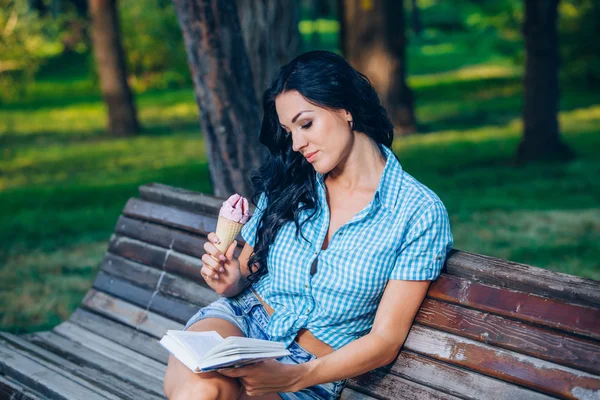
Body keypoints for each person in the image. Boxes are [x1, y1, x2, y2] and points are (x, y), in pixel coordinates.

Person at [163, 50, 454, 400]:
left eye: (306, 124)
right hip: (240, 323)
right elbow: (243, 274)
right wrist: (228, 280)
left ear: (346, 109)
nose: (297, 144)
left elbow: (385, 341)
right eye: (289, 132)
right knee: (202, 390)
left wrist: (294, 377)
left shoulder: (417, 211)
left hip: (309, 371)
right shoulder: (291, 181)